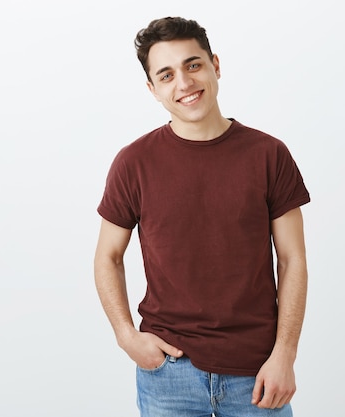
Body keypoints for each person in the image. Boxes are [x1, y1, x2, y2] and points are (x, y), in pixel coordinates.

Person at [93, 16, 310, 416]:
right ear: (153, 89)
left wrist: (285, 355)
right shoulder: (133, 163)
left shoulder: (268, 155)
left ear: (215, 65)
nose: (184, 83)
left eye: (193, 65)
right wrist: (127, 336)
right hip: (168, 374)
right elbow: (107, 255)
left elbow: (293, 259)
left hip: (258, 372)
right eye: (167, 74)